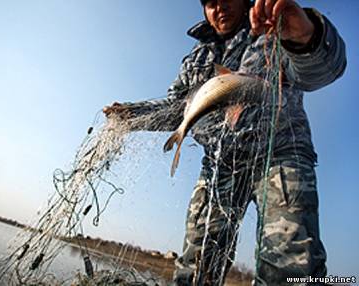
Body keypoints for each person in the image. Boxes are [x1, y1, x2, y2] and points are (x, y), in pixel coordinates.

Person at [103, 0, 346, 285]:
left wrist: (307, 37)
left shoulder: (273, 26)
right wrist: (131, 116)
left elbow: (323, 69)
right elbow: (176, 109)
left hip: (280, 155)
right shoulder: (196, 57)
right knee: (197, 263)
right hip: (219, 166)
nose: (219, 7)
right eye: (209, 2)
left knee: (292, 265)